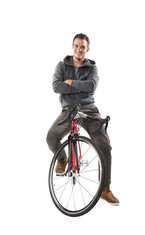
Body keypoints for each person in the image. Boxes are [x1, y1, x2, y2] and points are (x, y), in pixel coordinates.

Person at [46, 33, 119, 205]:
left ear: (87, 49)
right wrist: (80, 88)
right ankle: (63, 160)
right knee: (51, 137)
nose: (79, 49)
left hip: (89, 110)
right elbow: (56, 86)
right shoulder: (62, 65)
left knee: (105, 146)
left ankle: (105, 189)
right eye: (76, 46)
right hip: (69, 109)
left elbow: (92, 86)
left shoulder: (92, 68)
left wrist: (71, 82)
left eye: (83, 47)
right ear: (72, 46)